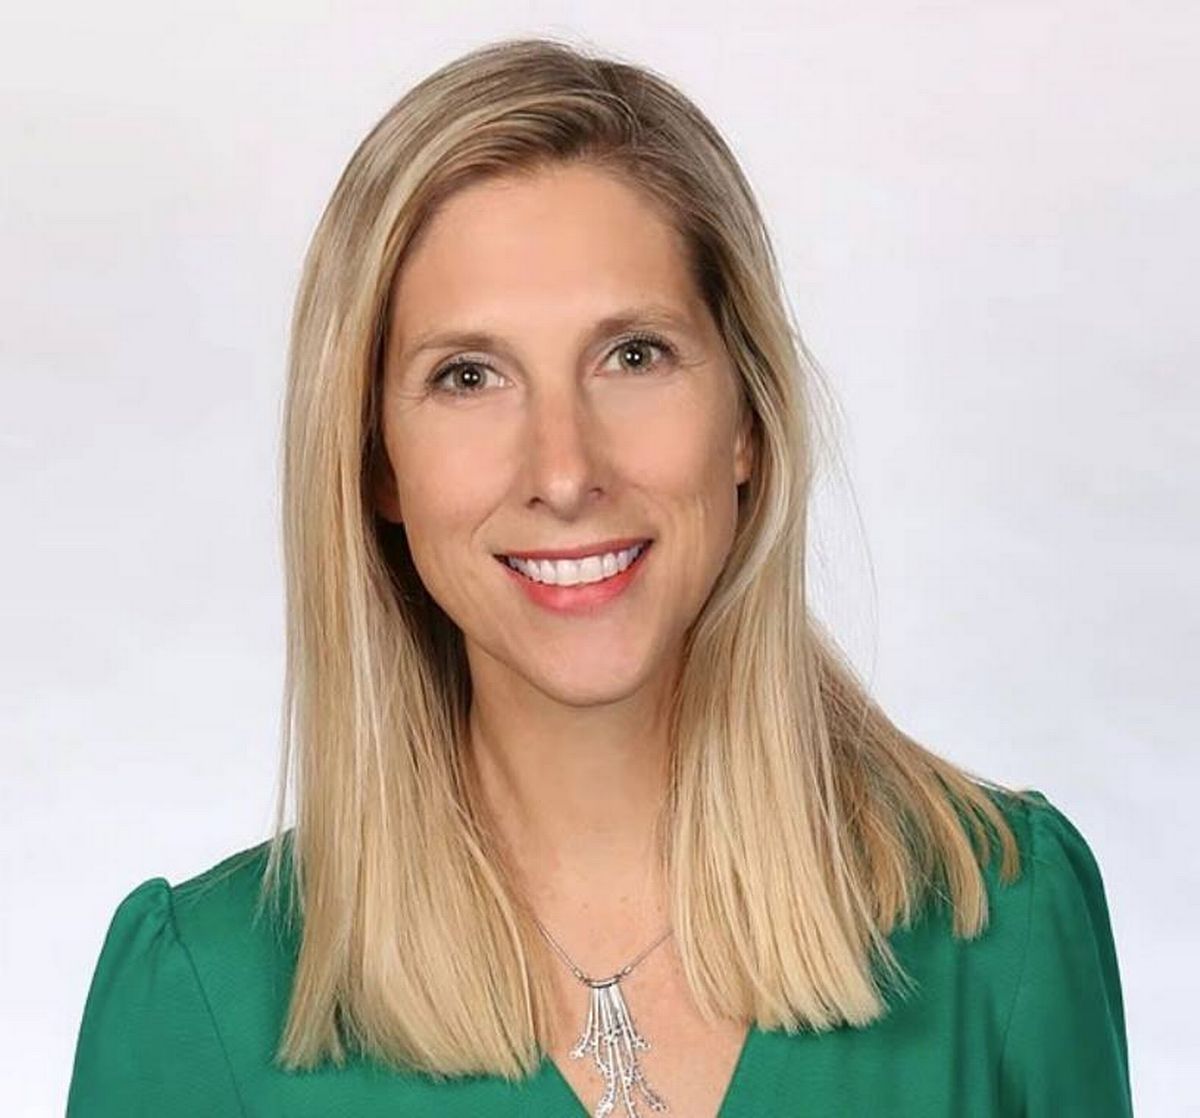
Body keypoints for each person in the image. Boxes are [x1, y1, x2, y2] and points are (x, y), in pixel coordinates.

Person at [65, 35, 1133, 1118]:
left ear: (747, 418)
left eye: (633, 355)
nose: (565, 472)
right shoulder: (195, 1004)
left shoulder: (1002, 918)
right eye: (468, 376)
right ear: (376, 459)